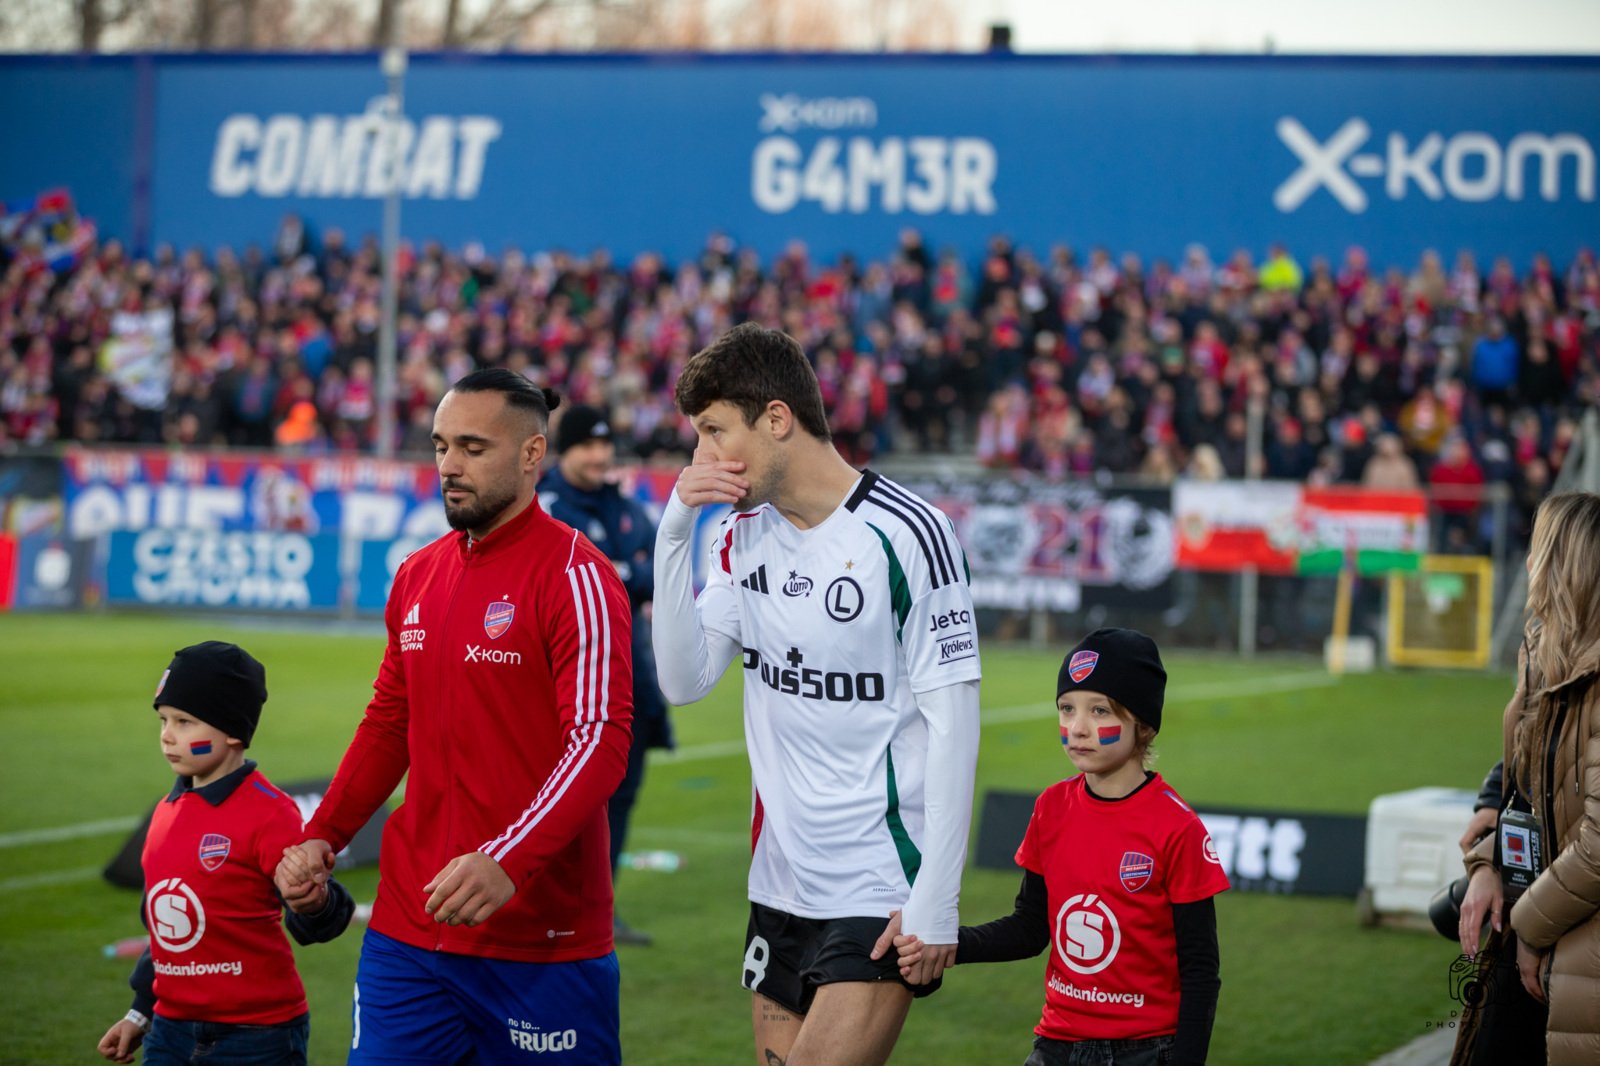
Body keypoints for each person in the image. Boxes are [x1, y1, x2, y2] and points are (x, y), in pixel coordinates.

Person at [274, 369, 634, 1064]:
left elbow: (599, 742)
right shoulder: (417, 574)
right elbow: (388, 723)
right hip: (409, 933)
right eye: (441, 446)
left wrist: (507, 860)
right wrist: (325, 835)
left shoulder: (575, 575)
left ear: (532, 455)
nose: (448, 465)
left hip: (540, 941)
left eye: (472, 447)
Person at [652, 322, 983, 1066]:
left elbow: (956, 725)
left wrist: (938, 899)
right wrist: (674, 533)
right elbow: (683, 679)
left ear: (776, 420)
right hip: (779, 879)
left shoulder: (907, 536)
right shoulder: (738, 535)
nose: (700, 456)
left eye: (712, 432)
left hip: (881, 887)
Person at [887, 629, 1229, 1066]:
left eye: (1099, 710)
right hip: (1056, 1045)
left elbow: (1200, 971)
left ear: (1142, 723)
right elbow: (1030, 928)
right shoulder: (1052, 807)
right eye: (1067, 709)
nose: (1077, 728)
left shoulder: (1176, 827)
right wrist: (945, 942)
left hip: (1146, 1051)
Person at [97, 641, 354, 1065]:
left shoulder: (270, 813)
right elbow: (164, 934)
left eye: (184, 722)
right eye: (163, 720)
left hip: (258, 1035)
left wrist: (314, 901)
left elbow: (324, 921)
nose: (166, 735)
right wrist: (140, 1013)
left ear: (232, 730)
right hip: (170, 1029)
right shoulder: (164, 813)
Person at [1458, 491, 1600, 1066]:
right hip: (1539, 924)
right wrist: (1489, 862)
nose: (1527, 564)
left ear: (1567, 565)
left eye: (1538, 549)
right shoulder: (1541, 651)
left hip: (1574, 948)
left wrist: (1530, 925)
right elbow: (1530, 790)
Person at [540, 403, 675, 947]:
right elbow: (576, 579)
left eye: (605, 446)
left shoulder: (625, 508)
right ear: (563, 451)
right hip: (563, 685)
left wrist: (622, 572)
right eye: (587, 447)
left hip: (629, 681)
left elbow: (657, 573)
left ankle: (600, 911)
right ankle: (548, 914)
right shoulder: (546, 504)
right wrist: (626, 572)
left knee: (619, 800)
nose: (599, 457)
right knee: (562, 799)